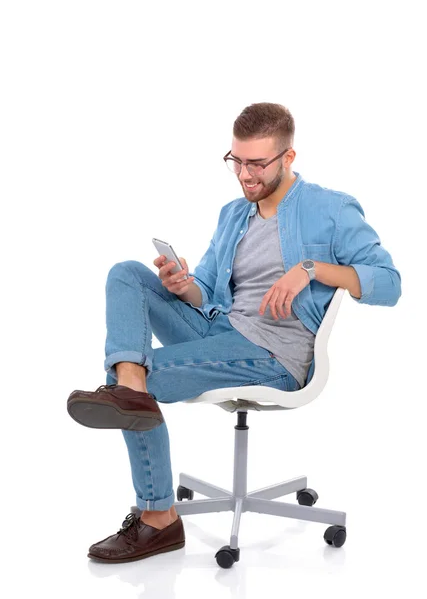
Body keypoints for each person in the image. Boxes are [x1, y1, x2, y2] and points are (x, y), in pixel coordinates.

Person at [67, 102, 402, 564]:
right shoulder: (233, 214)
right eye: (237, 161)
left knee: (143, 378)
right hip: (219, 328)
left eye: (257, 164)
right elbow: (207, 291)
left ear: (288, 158)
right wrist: (184, 286)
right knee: (126, 274)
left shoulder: (331, 209)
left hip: (273, 353)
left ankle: (158, 517)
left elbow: (390, 283)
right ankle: (129, 390)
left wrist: (310, 270)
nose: (245, 175)